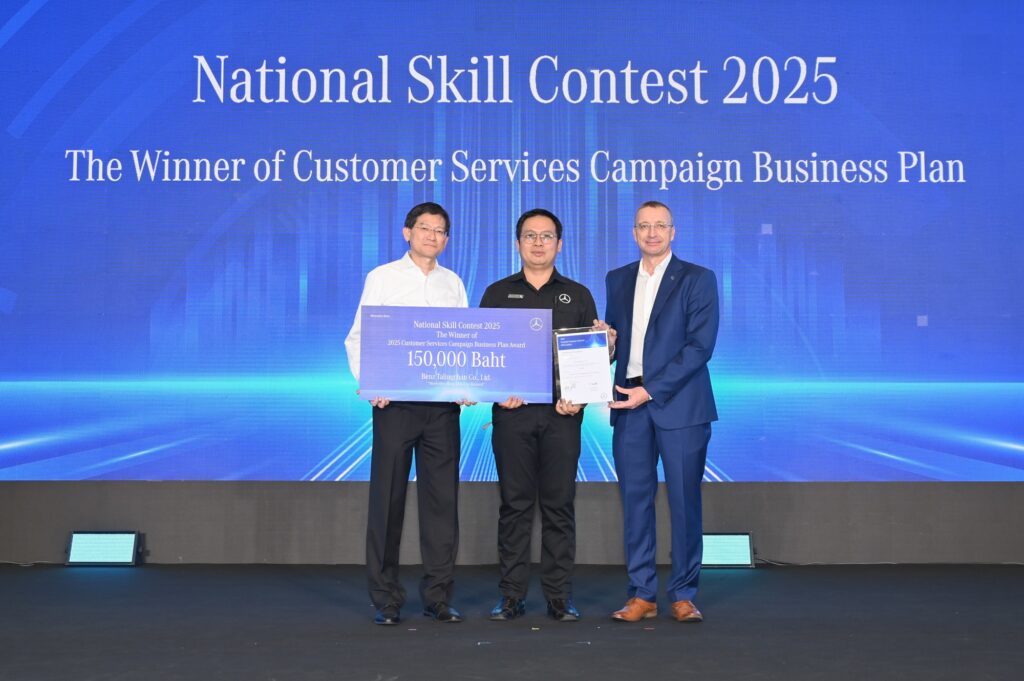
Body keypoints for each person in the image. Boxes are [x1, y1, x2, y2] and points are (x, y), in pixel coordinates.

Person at [345, 202, 469, 626]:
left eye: (440, 231)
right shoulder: (382, 277)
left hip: (441, 409)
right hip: (394, 405)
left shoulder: (453, 282)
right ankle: (386, 598)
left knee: (442, 503)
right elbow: (358, 337)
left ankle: (438, 597)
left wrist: (469, 384)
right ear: (407, 232)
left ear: (446, 239)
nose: (432, 236)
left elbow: (463, 342)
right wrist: (371, 383)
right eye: (424, 228)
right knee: (387, 500)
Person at [479, 208, 599, 622]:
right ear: (518, 243)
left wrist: (580, 398)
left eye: (546, 236)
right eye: (530, 235)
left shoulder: (578, 295)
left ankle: (559, 597)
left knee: (559, 506)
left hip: (562, 417)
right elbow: (483, 354)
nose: (538, 243)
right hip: (512, 417)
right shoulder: (497, 293)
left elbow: (592, 356)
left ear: (559, 244)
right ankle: (511, 596)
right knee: (514, 506)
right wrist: (497, 392)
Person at [603, 200, 719, 623]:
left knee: (684, 501)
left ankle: (684, 594)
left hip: (680, 404)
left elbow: (700, 347)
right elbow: (616, 343)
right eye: (643, 226)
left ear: (673, 232)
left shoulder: (698, 278)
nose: (652, 233)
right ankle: (642, 594)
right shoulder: (617, 279)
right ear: (634, 233)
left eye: (660, 226)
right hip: (628, 402)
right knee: (635, 501)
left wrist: (650, 391)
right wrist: (606, 344)